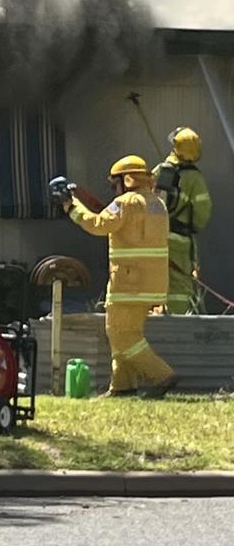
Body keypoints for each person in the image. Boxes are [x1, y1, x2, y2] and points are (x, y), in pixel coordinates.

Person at [64, 155, 178, 398]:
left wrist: (70, 206)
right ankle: (122, 386)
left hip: (128, 282)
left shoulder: (125, 203)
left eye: (113, 184)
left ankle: (161, 375)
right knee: (125, 332)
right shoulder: (157, 203)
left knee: (120, 333)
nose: (113, 189)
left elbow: (97, 224)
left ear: (126, 181)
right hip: (151, 283)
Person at [152, 127, 212, 315]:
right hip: (180, 241)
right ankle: (178, 324)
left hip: (153, 238)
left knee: (155, 279)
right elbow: (202, 212)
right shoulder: (195, 178)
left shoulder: (158, 171)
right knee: (179, 286)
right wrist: (192, 227)